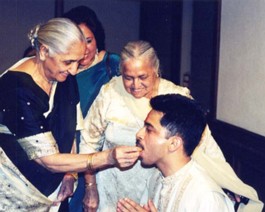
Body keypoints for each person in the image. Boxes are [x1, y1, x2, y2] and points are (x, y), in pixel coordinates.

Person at [80, 40, 263, 212]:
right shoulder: (110, 93)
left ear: (156, 70)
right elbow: (89, 142)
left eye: (142, 77)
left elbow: (203, 142)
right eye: (128, 78)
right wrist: (90, 187)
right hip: (113, 187)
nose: (135, 85)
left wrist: (227, 181)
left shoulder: (175, 97)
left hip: (164, 186)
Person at [0, 18, 141, 212]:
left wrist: (70, 174)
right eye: (68, 61)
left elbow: (71, 128)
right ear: (43, 51)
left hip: (56, 190)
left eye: (78, 61)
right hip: (16, 193)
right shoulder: (16, 88)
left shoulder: (64, 75)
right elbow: (47, 159)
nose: (75, 69)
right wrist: (108, 157)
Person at [117, 94, 234, 212]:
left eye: (149, 129)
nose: (139, 134)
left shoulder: (206, 197)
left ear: (174, 144)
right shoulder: (157, 176)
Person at [62, 6, 120, 211]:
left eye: (89, 40)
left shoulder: (112, 65)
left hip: (103, 159)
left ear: (98, 38)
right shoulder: (63, 72)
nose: (84, 48)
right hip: (69, 157)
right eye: (77, 41)